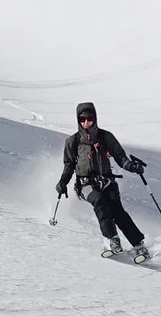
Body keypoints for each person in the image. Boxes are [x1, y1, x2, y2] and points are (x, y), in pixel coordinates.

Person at [55, 101, 149, 260]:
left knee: (117, 211)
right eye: (82, 119)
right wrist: (63, 182)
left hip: (107, 181)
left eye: (90, 118)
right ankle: (111, 240)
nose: (86, 122)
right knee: (99, 201)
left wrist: (132, 166)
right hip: (85, 184)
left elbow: (120, 157)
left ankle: (138, 245)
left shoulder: (106, 136)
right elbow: (69, 165)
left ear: (95, 118)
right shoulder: (73, 141)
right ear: (78, 120)